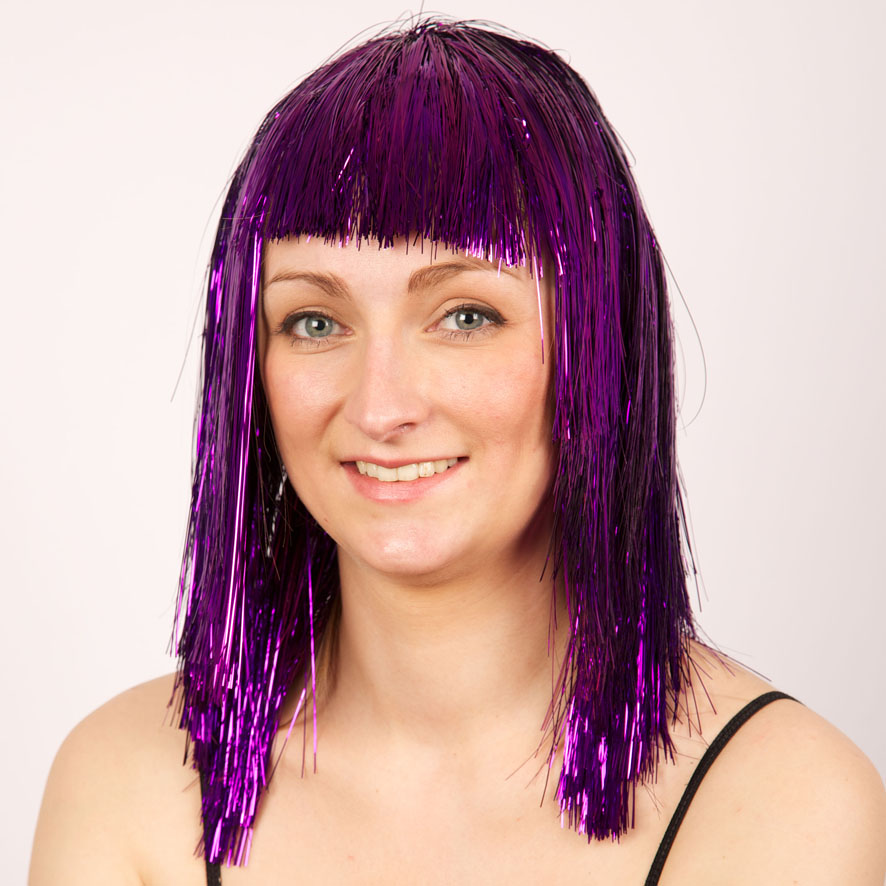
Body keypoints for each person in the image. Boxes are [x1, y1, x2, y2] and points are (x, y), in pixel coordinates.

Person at [30, 17, 886, 884]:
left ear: (601, 346)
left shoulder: (785, 809)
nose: (381, 406)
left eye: (466, 316)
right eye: (315, 322)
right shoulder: (124, 788)